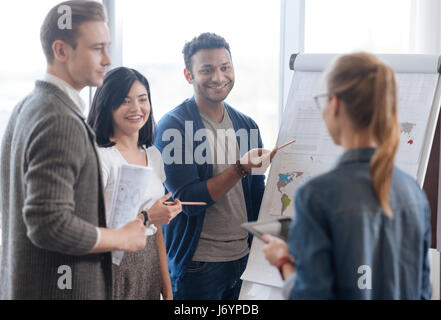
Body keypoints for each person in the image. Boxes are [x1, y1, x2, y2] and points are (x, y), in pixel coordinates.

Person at [0, 1, 148, 300]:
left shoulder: (26, 107)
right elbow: (49, 225)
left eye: (108, 47)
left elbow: (5, 194)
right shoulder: (59, 120)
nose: (107, 59)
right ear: (61, 50)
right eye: (97, 48)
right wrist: (121, 237)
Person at [262, 52, 432, 300]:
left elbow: (309, 296)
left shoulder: (317, 195)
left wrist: (283, 261)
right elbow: (422, 292)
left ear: (336, 103)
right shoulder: (413, 192)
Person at [154, 32, 275, 300]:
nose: (219, 77)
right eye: (207, 70)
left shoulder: (247, 125)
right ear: (189, 75)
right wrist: (239, 169)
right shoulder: (173, 127)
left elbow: (256, 190)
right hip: (199, 265)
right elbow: (187, 199)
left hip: (244, 259)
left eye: (225, 67)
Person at [87, 67, 182, 300]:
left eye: (143, 99)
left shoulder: (153, 155)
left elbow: (156, 231)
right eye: (125, 101)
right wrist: (147, 216)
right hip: (110, 266)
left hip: (147, 263)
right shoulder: (100, 157)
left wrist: (167, 289)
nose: (137, 109)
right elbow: (88, 230)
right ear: (107, 105)